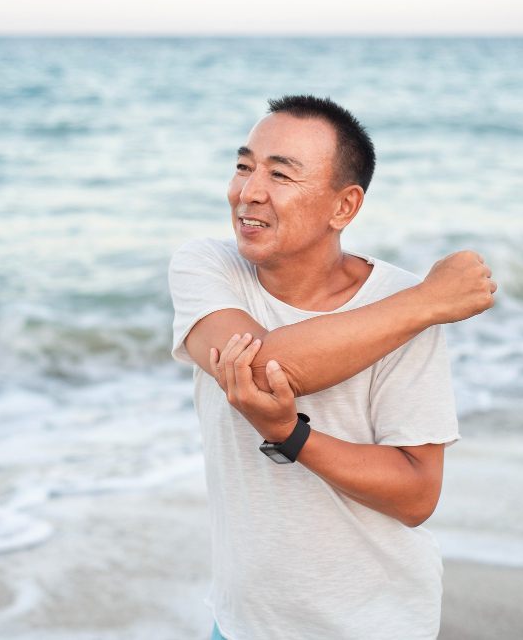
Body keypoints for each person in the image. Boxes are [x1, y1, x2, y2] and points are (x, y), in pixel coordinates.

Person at [168, 95, 496, 639]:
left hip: (376, 623)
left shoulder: (397, 302)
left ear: (343, 207)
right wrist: (429, 302)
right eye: (244, 166)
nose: (248, 191)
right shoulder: (208, 266)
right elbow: (253, 368)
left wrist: (292, 437)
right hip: (243, 623)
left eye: (281, 174)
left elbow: (416, 495)